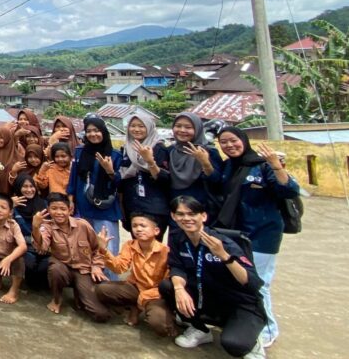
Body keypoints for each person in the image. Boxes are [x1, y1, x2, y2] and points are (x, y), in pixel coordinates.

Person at [213, 127, 298, 349]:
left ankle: (268, 328)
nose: (229, 145)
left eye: (233, 140)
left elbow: (289, 190)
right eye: (224, 142)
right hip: (236, 234)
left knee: (259, 284)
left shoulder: (262, 164)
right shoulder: (230, 166)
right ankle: (242, 322)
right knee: (236, 280)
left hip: (262, 235)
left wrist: (277, 166)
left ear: (244, 140)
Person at [160, 196, 266, 358]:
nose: (186, 218)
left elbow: (251, 282)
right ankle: (200, 329)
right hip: (207, 297)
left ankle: (253, 339)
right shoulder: (177, 237)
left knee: (235, 345)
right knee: (168, 286)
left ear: (203, 216)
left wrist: (224, 255)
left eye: (192, 214)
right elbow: (177, 266)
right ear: (173, 217)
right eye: (180, 214)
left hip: (239, 302)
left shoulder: (223, 242)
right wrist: (180, 289)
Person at [92, 212, 176, 338]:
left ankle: (153, 312)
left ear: (156, 231)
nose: (138, 229)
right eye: (135, 226)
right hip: (136, 288)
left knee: (161, 326)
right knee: (101, 289)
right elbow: (119, 268)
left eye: (143, 225)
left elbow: (167, 284)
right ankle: (133, 307)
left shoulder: (166, 252)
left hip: (156, 294)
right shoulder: (130, 245)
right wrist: (104, 250)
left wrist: (142, 298)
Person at [32, 192, 110, 321]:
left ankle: (79, 294)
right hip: (63, 268)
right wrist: (35, 227)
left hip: (83, 271)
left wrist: (96, 266)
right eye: (54, 208)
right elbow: (41, 247)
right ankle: (56, 299)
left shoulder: (83, 225)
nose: (59, 212)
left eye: (63, 209)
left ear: (70, 210)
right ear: (49, 210)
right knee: (55, 269)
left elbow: (97, 249)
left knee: (100, 314)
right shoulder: (47, 226)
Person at [68, 116, 123, 260]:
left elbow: (121, 184)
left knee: (107, 249)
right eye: (89, 131)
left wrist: (110, 170)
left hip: (105, 209)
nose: (93, 134)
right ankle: (89, 281)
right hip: (83, 206)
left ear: (104, 131)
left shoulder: (115, 154)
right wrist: (70, 199)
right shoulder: (80, 152)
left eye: (97, 130)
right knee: (86, 248)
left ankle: (110, 281)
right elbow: (73, 178)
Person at [154, 112, 222, 217]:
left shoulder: (208, 151)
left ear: (197, 129)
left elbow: (217, 181)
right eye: (178, 126)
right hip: (176, 210)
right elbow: (164, 180)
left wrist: (205, 162)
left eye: (188, 127)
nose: (182, 130)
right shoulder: (170, 151)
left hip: (201, 211)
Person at [119, 112, 171, 240]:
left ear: (149, 127)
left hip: (154, 208)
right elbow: (123, 180)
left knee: (153, 250)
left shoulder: (159, 148)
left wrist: (149, 161)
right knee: (137, 249)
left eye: (141, 126)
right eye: (133, 126)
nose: (136, 129)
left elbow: (164, 180)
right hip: (133, 206)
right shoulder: (126, 148)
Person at [11, 175, 49, 291]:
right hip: (23, 246)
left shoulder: (43, 204)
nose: (29, 190)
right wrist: (11, 206)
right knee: (29, 263)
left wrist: (42, 243)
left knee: (46, 264)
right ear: (18, 188)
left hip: (42, 245)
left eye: (31, 186)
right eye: (25, 186)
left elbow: (49, 227)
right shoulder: (13, 206)